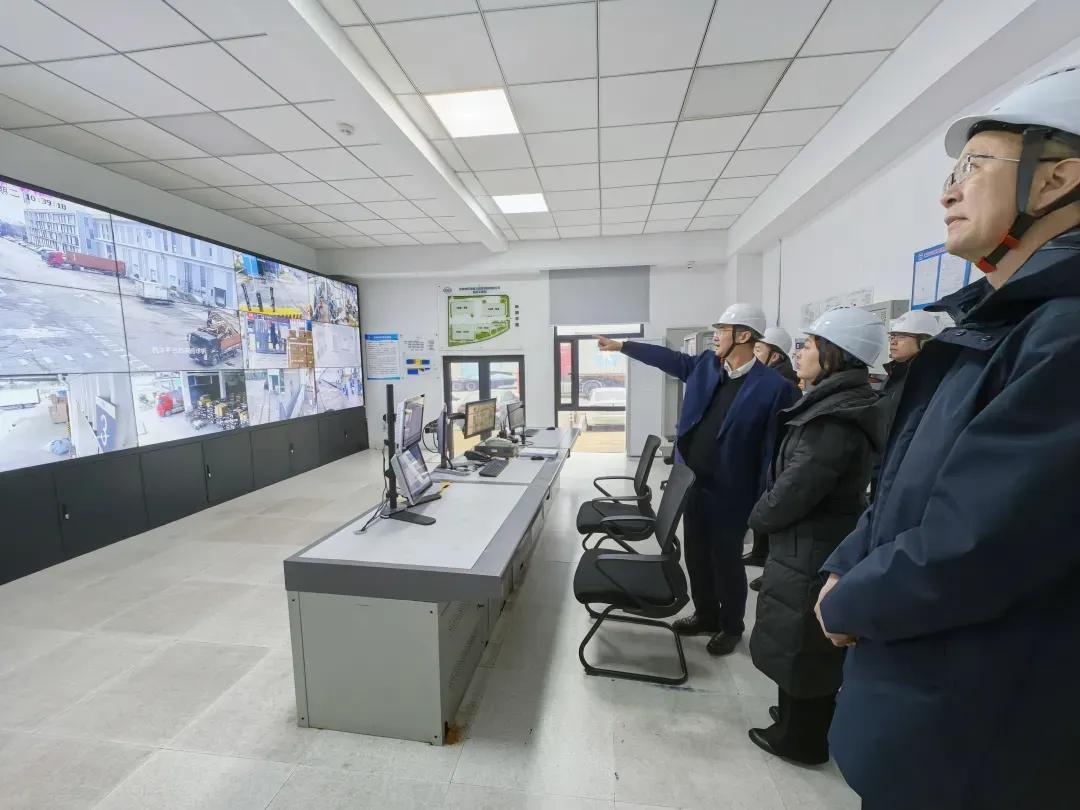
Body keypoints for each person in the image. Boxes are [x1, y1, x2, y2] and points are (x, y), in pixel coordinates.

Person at [815, 66, 1080, 809]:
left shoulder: (1063, 336)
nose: (948, 192)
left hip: (982, 732)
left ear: (1056, 179)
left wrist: (847, 601)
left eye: (973, 166)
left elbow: (980, 543)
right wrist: (847, 566)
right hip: (926, 708)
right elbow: (902, 484)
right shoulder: (995, 331)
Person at [597, 304, 799, 655]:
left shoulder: (775, 387)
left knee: (727, 561)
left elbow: (778, 449)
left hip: (733, 491)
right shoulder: (706, 365)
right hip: (694, 483)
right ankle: (705, 614)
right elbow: (668, 359)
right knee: (696, 555)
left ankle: (731, 626)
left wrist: (766, 496)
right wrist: (624, 346)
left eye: (722, 330)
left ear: (744, 335)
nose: (716, 336)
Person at [744, 308, 885, 765]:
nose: (799, 353)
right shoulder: (834, 403)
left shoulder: (834, 419)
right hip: (807, 542)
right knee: (795, 638)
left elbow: (795, 489)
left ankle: (801, 739)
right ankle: (795, 718)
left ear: (835, 354)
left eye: (808, 345)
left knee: (802, 643)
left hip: (811, 546)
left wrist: (758, 515)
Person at [745, 326, 798, 586]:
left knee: (772, 514)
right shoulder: (766, 379)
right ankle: (759, 553)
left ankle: (769, 570)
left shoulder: (783, 385)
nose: (752, 355)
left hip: (776, 460)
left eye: (757, 350)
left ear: (774, 356)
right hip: (766, 457)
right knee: (760, 506)